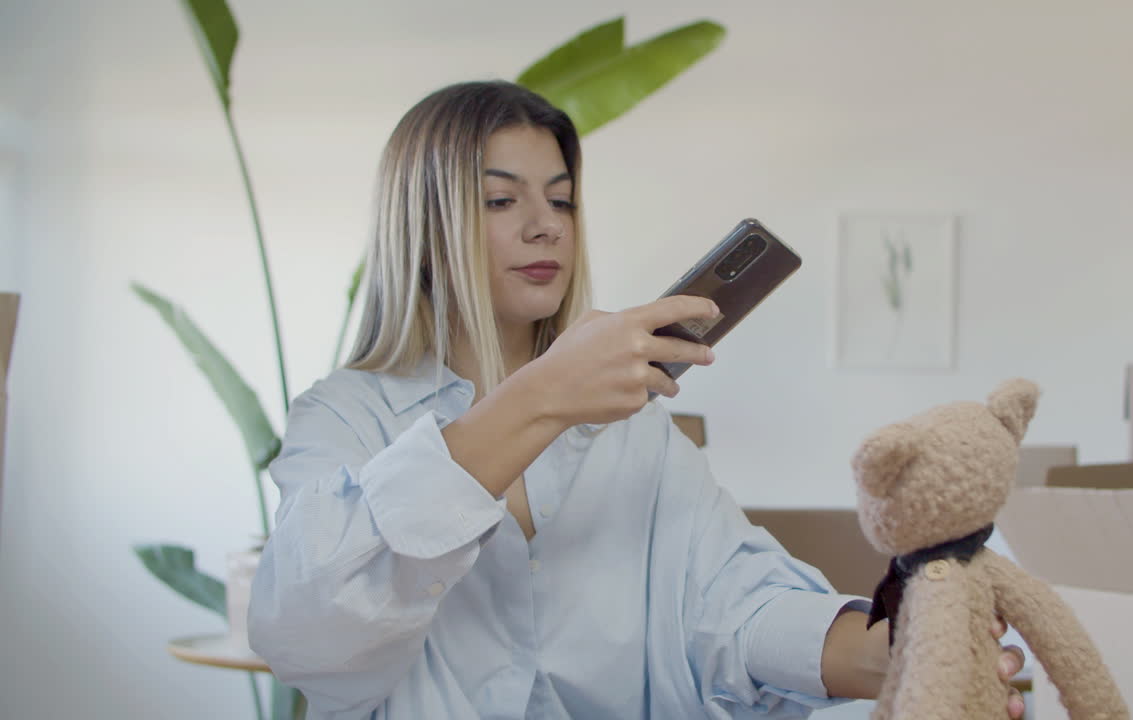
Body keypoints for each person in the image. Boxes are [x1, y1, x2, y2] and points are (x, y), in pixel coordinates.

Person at [247, 80, 1026, 720]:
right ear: (425, 220)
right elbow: (309, 639)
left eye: (561, 200)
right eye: (500, 201)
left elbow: (735, 604)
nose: (545, 226)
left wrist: (887, 655)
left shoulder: (631, 432)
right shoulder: (345, 416)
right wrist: (542, 399)